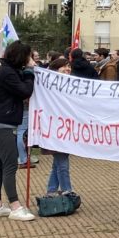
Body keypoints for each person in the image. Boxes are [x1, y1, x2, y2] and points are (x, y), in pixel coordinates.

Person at [0, 41, 36, 221]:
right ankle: (15, 207)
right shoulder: (7, 73)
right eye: (29, 56)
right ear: (22, 56)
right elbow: (24, 91)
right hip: (0, 124)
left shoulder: (8, 71)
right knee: (10, 164)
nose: (31, 59)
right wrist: (30, 73)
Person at [44, 58, 74, 196]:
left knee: (58, 162)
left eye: (69, 66)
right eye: (64, 66)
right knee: (62, 162)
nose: (68, 69)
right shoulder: (49, 86)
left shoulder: (71, 84)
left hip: (66, 128)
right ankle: (67, 190)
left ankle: (51, 190)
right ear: (56, 69)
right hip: (56, 128)